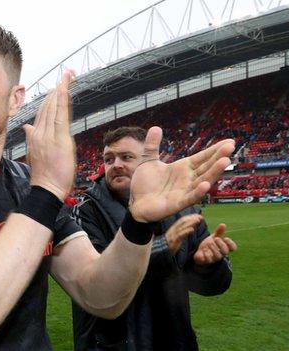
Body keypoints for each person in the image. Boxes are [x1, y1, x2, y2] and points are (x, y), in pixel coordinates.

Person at [0, 22, 235, 350]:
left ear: (15, 99)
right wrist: (44, 192)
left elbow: (101, 294)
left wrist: (137, 224)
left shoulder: (26, 181)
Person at [72, 126, 238, 350]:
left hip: (175, 340)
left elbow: (211, 287)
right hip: (112, 343)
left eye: (127, 157)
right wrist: (162, 247)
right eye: (109, 159)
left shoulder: (187, 211)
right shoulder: (86, 211)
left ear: (150, 163)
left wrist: (207, 265)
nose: (116, 164)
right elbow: (97, 281)